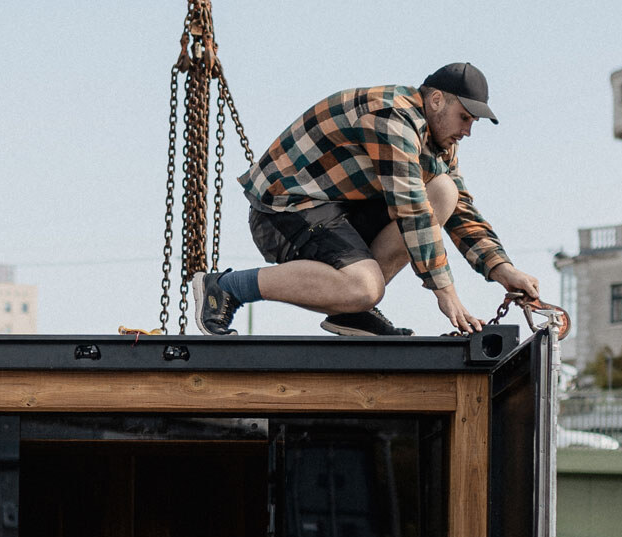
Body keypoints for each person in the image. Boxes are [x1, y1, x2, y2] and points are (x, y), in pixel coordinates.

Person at [195, 62, 542, 339]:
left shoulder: (438, 143)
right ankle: (226, 287)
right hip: (285, 207)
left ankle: (353, 309)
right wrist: (445, 292)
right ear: (437, 100)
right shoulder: (392, 117)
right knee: (365, 284)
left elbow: (460, 209)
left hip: (338, 208)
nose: (468, 130)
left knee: (445, 191)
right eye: (464, 117)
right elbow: (411, 209)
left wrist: (502, 269)